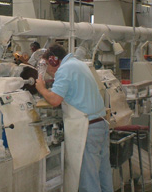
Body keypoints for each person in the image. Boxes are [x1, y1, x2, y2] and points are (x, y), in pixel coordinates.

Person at [35, 44, 113, 192]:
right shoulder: (77, 64)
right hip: (100, 123)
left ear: (53, 60)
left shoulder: (65, 70)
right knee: (103, 174)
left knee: (88, 179)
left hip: (87, 129)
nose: (48, 72)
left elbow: (55, 100)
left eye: (47, 66)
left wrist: (42, 89)